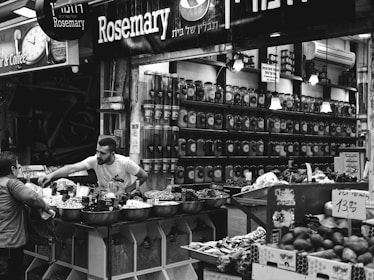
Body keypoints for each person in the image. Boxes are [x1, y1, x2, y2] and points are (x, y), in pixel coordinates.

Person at [0, 151, 52, 280]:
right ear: (12, 169)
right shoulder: (11, 183)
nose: (18, 169)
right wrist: (46, 206)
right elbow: (32, 197)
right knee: (12, 276)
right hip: (9, 242)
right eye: (18, 166)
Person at [38, 137, 148, 194]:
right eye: (98, 151)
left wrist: (128, 190)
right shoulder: (95, 160)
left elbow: (144, 175)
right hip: (104, 196)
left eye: (103, 153)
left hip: (123, 199)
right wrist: (50, 176)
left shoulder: (125, 162)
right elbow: (72, 168)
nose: (98, 155)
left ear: (112, 154)